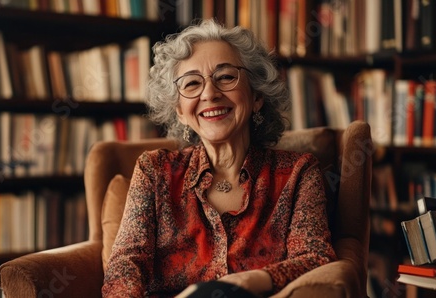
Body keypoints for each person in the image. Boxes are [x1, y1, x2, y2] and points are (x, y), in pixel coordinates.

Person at [102, 19, 337, 297]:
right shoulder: (154, 171)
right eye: (191, 84)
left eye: (225, 77)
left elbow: (316, 258)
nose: (210, 94)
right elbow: (125, 267)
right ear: (179, 110)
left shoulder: (298, 173)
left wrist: (246, 282)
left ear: (256, 96)